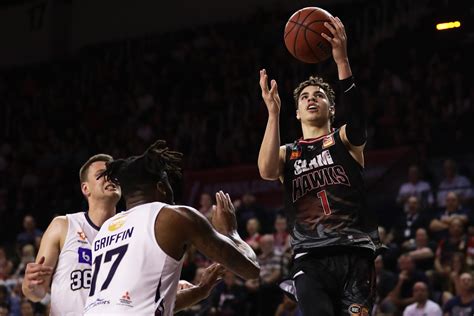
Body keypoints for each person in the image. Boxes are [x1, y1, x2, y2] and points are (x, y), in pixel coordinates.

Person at [258, 16, 380, 315]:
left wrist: (342, 61)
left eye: (319, 95)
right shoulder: (288, 153)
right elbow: (266, 171)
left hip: (355, 251)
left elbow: (359, 120)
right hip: (310, 256)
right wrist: (273, 114)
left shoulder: (344, 140)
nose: (312, 99)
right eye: (304, 97)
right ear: (297, 112)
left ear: (332, 107)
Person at [84, 140, 259, 315]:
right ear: (161, 187)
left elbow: (137, 306)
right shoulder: (173, 216)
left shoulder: (107, 229)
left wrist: (201, 290)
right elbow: (250, 270)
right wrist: (231, 232)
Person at [22, 154, 121, 315]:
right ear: (85, 188)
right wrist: (29, 286)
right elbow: (37, 291)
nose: (110, 178)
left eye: (114, 174)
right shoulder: (63, 226)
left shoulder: (131, 228)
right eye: (101, 174)